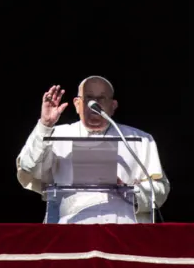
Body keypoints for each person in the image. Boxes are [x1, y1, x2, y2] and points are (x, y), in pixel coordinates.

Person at [16, 75, 169, 224]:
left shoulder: (139, 140)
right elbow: (29, 169)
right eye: (88, 98)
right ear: (77, 104)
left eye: (101, 98)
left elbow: (160, 190)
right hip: (70, 230)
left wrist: (129, 191)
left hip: (122, 231)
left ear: (113, 106)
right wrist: (45, 124)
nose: (94, 104)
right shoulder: (55, 135)